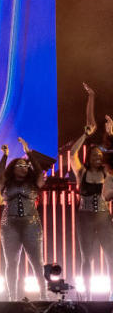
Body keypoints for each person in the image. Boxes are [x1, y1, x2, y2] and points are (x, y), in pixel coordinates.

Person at [69, 100, 113, 300]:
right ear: (89, 157)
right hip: (85, 218)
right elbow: (71, 154)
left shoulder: (107, 172)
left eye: (99, 154)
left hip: (104, 218)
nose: (97, 156)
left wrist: (111, 134)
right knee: (87, 258)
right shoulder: (82, 172)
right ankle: (86, 295)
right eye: (93, 154)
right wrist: (85, 134)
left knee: (112, 256)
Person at [0, 138, 47, 301]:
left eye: (26, 166)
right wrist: (5, 156)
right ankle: (12, 298)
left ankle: (44, 296)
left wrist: (29, 153)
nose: (24, 168)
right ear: (12, 168)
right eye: (20, 165)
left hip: (31, 224)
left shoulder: (33, 183)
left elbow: (40, 173)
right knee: (11, 263)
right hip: (9, 225)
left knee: (38, 262)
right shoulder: (5, 183)